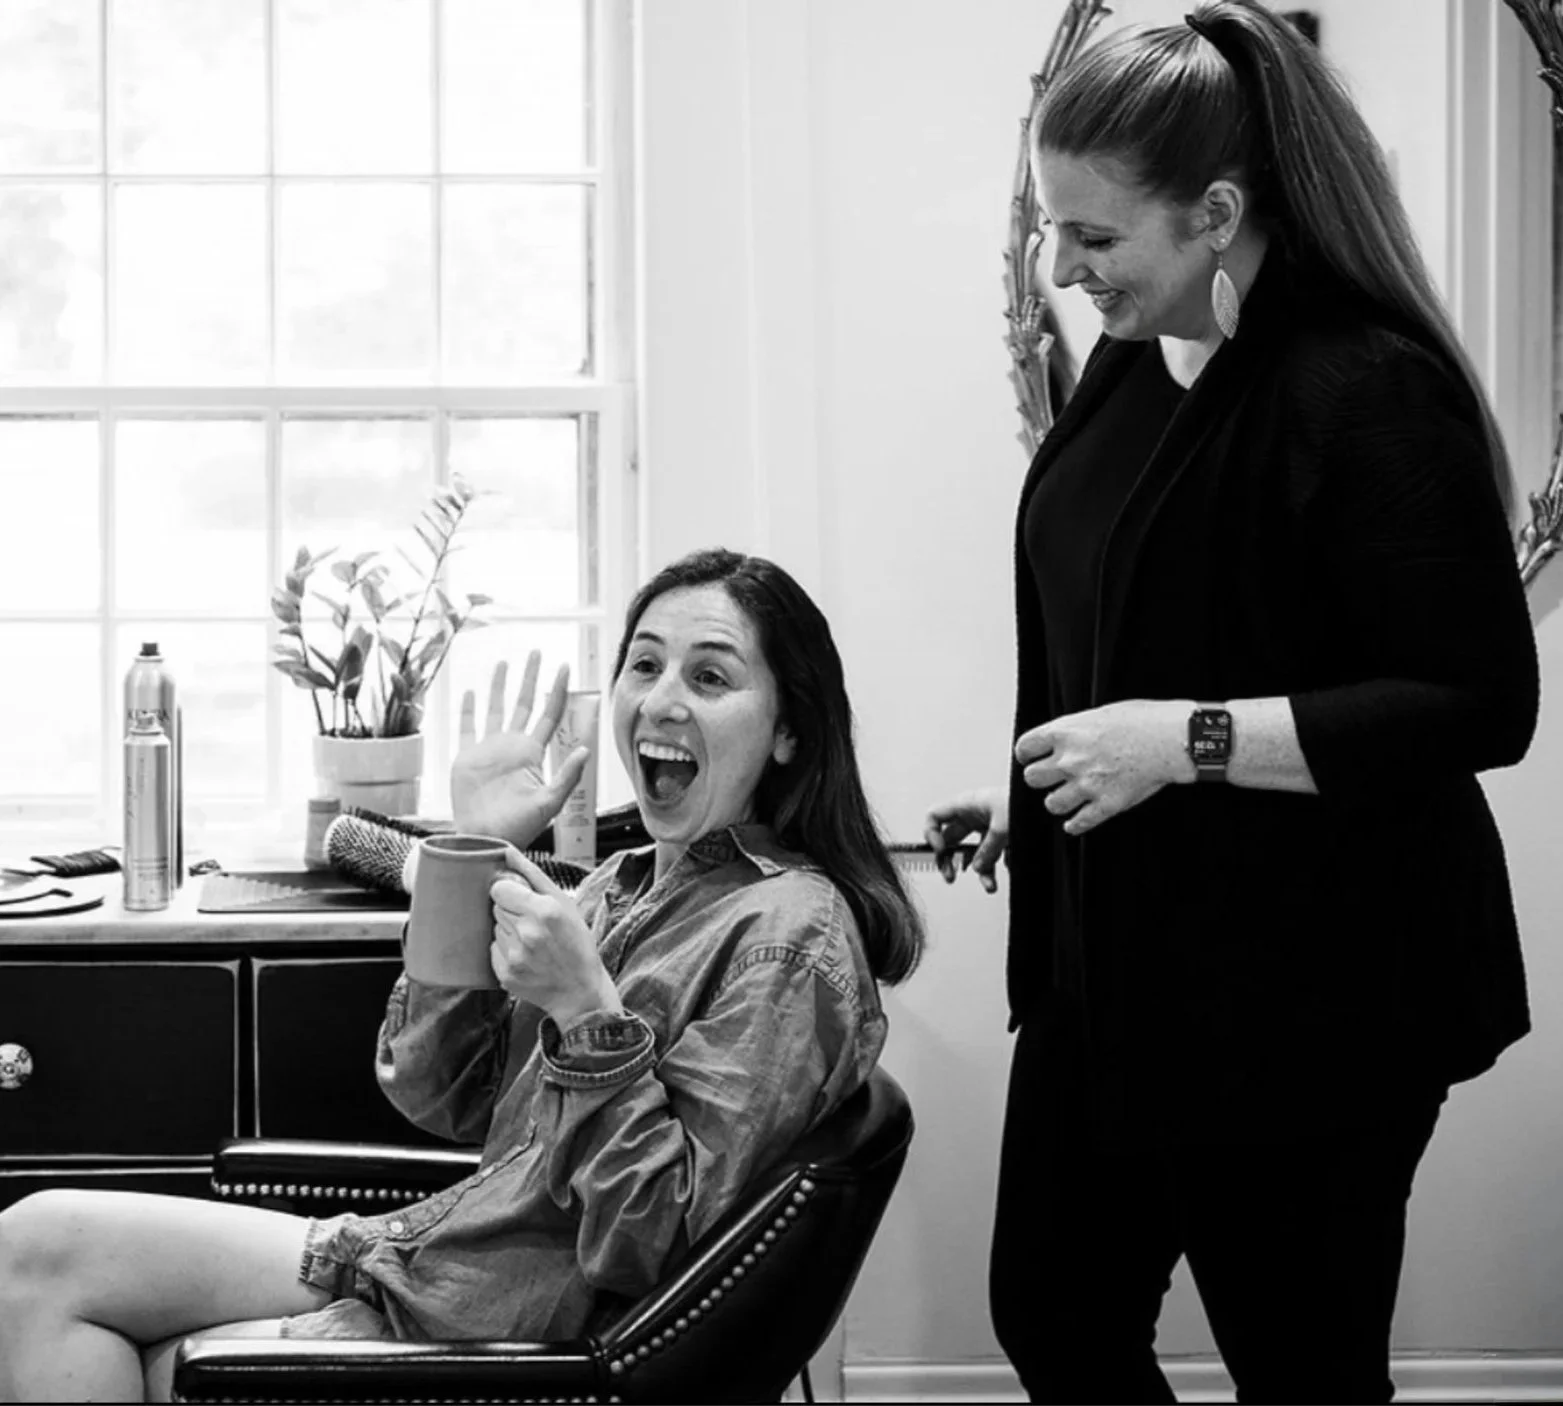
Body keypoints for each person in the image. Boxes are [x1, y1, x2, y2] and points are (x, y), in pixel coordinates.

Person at [923, 4, 1539, 1402]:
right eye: (1046, 227)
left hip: (1315, 991)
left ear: (1213, 212)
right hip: (1119, 964)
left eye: (1093, 237)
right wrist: (1051, 785)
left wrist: (1177, 742)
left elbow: (1475, 702)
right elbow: (1138, 616)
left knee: (1300, 1368)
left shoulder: (1365, 392)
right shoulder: (1136, 367)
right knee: (1053, 1308)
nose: (1058, 271)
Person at [0, 547, 924, 1403]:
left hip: (508, 1329)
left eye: (710, 676)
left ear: (790, 732)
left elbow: (654, 1250)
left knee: (81, 1319)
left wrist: (584, 1008)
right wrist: (470, 850)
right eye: (644, 665)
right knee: (34, 1244)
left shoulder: (790, 935)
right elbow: (442, 1092)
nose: (661, 700)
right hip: (442, 1259)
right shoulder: (628, 881)